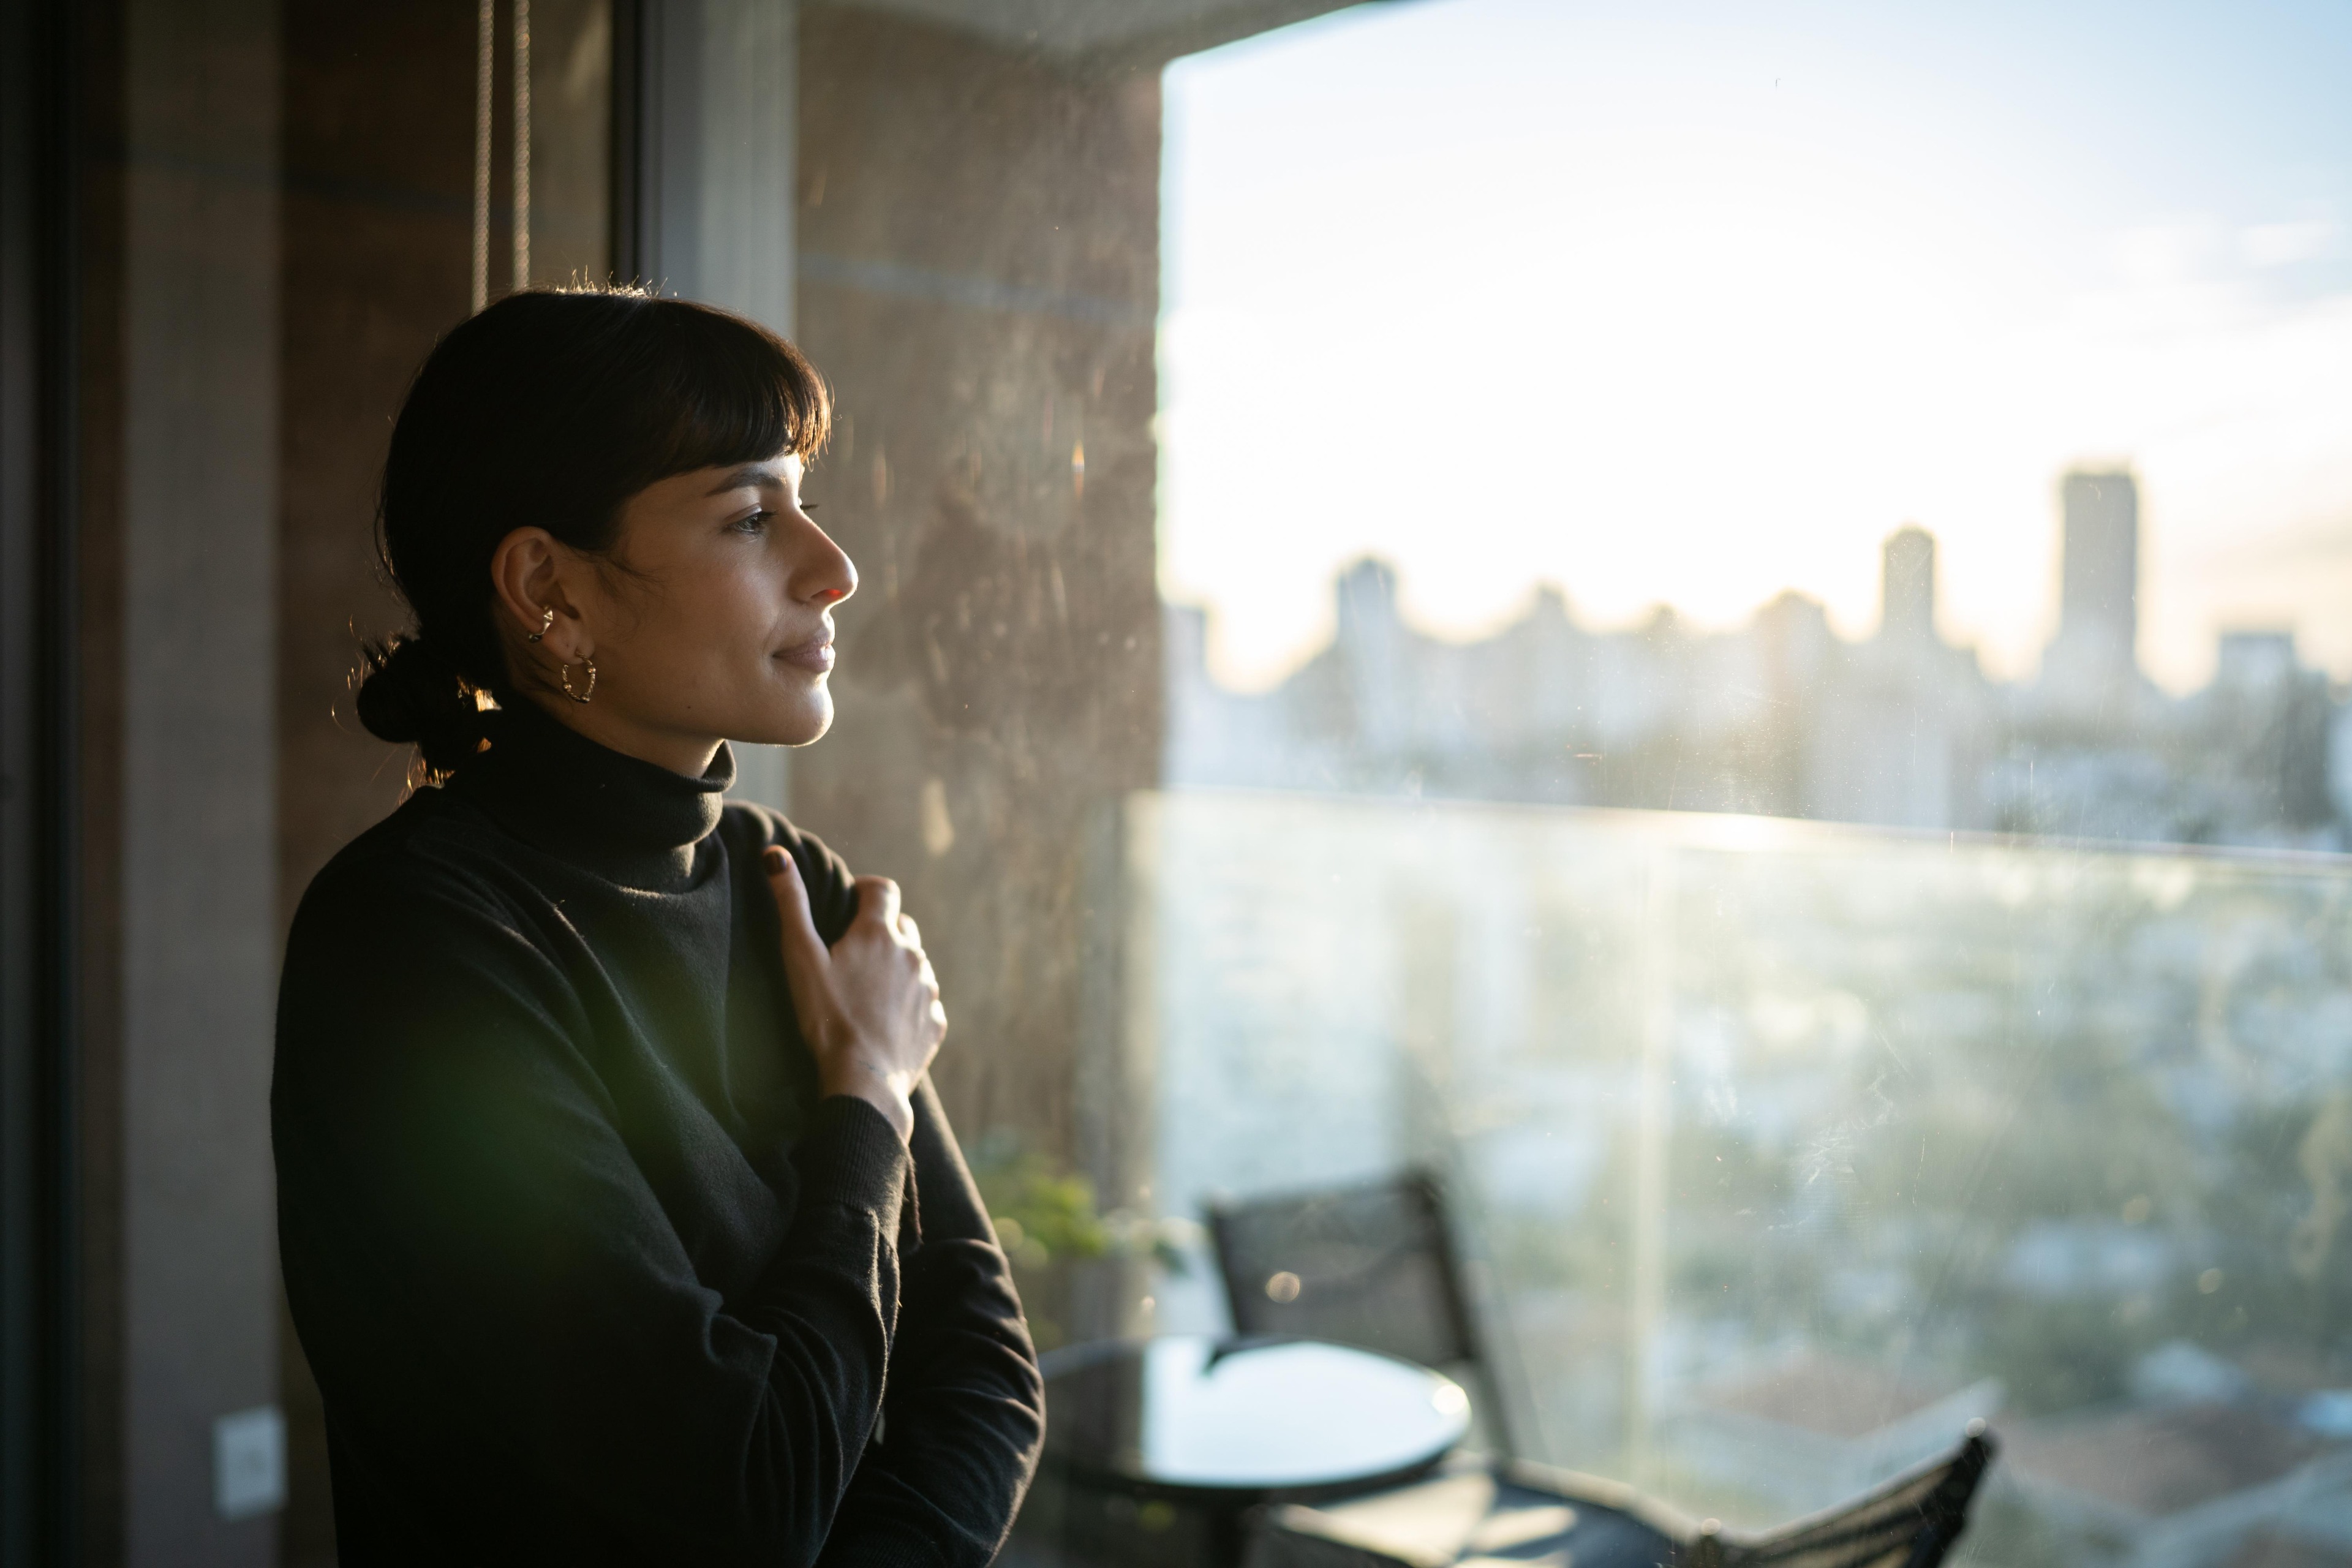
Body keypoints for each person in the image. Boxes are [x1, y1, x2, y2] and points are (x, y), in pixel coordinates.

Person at [271, 287, 1044, 1566]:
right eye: (751, 514)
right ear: (550, 589)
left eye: (803, 496)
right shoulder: (414, 947)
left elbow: (982, 1372)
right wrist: (866, 1093)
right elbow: (736, 1503)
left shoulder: (797, 881)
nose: (833, 562)